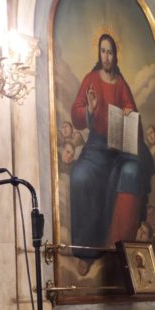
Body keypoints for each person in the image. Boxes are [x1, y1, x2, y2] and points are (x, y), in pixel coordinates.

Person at [69, 33, 153, 276]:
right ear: (99, 54)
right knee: (80, 177)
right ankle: (86, 253)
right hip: (96, 148)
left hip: (119, 150)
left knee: (132, 173)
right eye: (103, 51)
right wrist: (90, 109)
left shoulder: (121, 84)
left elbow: (133, 116)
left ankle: (119, 250)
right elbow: (76, 115)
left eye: (110, 52)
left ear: (116, 55)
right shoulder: (91, 79)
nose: (106, 56)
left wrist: (128, 114)